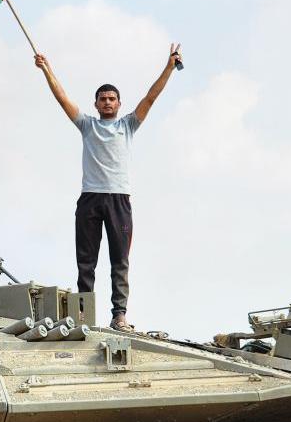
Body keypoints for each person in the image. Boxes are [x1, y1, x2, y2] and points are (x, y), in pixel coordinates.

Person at [34, 44, 182, 331]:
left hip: (118, 199)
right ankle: (83, 314)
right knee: (86, 262)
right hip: (90, 198)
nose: (107, 102)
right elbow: (62, 98)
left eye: (112, 99)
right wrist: (47, 70)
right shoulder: (87, 125)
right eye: (102, 99)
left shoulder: (128, 125)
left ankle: (119, 315)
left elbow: (151, 97)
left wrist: (169, 67)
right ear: (96, 104)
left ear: (119, 103)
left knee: (120, 261)